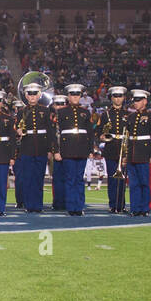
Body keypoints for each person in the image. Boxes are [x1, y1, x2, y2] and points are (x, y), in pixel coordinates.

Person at [53, 84, 94, 216]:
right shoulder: (61, 112)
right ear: (68, 96)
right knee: (70, 179)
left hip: (82, 148)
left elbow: (90, 133)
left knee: (79, 179)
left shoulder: (86, 112)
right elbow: (56, 133)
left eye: (77, 94)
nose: (75, 97)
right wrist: (56, 150)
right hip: (67, 149)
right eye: (72, 94)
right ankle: (71, 207)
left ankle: (79, 206)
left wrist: (90, 150)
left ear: (80, 96)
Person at [14, 82, 51, 213]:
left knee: (38, 178)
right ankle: (29, 206)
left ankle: (38, 205)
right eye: (30, 94)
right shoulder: (21, 112)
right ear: (26, 96)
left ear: (40, 95)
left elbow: (50, 132)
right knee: (28, 179)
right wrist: (18, 132)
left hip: (41, 147)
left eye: (35, 93)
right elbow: (16, 132)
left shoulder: (45, 111)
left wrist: (50, 149)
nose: (32, 96)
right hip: (26, 148)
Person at [124, 90, 151, 216]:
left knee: (145, 182)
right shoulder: (131, 117)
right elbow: (128, 138)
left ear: (145, 101)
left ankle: (145, 208)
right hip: (132, 153)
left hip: (144, 153)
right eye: (134, 100)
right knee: (133, 184)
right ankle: (135, 208)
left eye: (138, 100)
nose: (136, 103)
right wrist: (126, 155)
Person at [99, 86, 130, 213]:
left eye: (120, 96)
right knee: (112, 179)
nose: (118, 99)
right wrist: (101, 136)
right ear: (111, 98)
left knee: (122, 179)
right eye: (115, 96)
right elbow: (98, 131)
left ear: (124, 98)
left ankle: (121, 204)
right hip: (111, 148)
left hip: (124, 149)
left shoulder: (128, 114)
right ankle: (113, 204)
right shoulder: (105, 114)